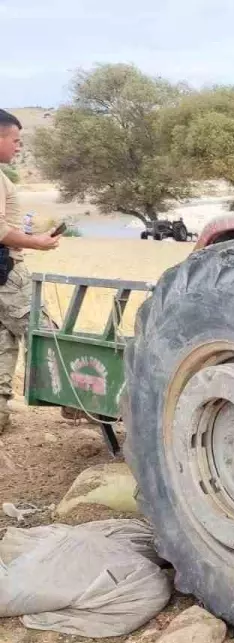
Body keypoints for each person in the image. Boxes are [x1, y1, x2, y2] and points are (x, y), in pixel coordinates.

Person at [0, 108, 60, 433]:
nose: (18, 147)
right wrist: (37, 243)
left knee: (2, 344)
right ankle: (77, 401)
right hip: (7, 272)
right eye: (15, 140)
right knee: (45, 334)